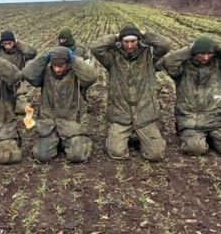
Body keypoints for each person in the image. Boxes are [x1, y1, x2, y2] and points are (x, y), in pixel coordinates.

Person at [90, 23, 172, 161]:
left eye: (133, 41)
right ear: (121, 41)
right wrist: (116, 36)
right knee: (116, 152)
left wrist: (144, 34)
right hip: (121, 114)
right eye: (126, 41)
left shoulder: (149, 56)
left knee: (156, 155)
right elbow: (95, 48)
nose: (129, 45)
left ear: (138, 40)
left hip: (144, 113)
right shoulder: (112, 58)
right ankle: (126, 136)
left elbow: (166, 44)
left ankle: (142, 136)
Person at [22, 46, 98, 162]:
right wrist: (45, 58)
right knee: (42, 156)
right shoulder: (45, 74)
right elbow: (27, 74)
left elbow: (91, 77)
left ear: (68, 64)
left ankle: (80, 140)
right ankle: (57, 142)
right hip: (49, 126)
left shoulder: (76, 76)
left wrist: (74, 59)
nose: (57, 69)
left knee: (77, 156)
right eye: (54, 65)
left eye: (60, 66)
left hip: (72, 125)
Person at [156, 36, 221, 155]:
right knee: (195, 148)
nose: (206, 57)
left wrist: (215, 45)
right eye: (202, 53)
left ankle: (210, 138)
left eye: (209, 54)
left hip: (215, 120)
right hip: (190, 121)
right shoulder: (182, 68)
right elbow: (168, 61)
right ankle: (199, 139)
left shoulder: (217, 65)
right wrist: (191, 48)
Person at [0, 30, 37, 114]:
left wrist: (18, 43)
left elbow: (32, 52)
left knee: (22, 109)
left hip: (17, 86)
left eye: (10, 43)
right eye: (5, 44)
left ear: (14, 42)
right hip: (1, 85)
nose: (8, 46)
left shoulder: (20, 53)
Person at [57, 26, 91, 109]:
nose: (61, 41)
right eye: (60, 39)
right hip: (64, 76)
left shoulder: (80, 49)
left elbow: (87, 64)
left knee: (83, 83)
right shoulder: (57, 50)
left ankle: (82, 101)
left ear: (69, 38)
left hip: (78, 75)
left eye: (64, 39)